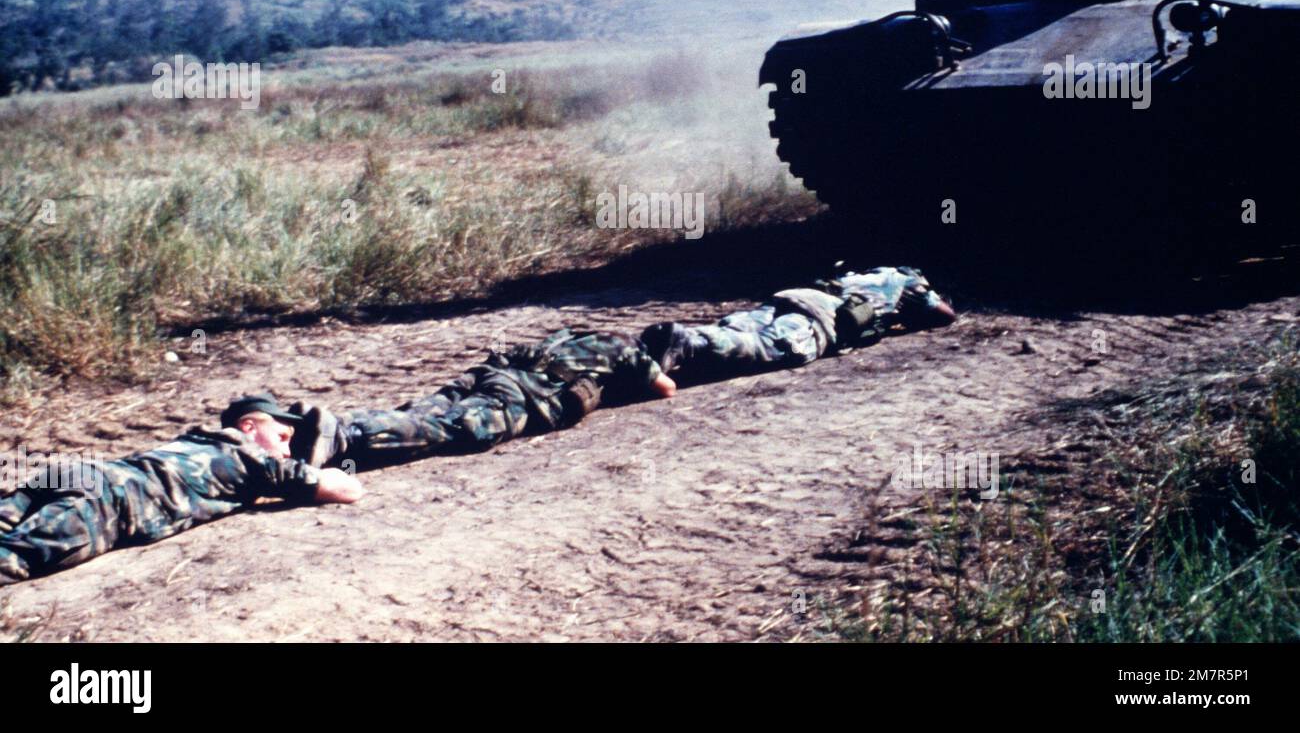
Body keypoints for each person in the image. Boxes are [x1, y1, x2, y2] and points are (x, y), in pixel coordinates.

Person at [0, 394, 364, 585]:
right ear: (249, 427)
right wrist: (312, 466)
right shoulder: (252, 460)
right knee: (14, 560)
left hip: (78, 474)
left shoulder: (193, 440)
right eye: (283, 437)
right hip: (107, 503)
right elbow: (347, 489)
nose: (286, 450)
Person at [292, 328, 677, 470]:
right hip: (523, 395)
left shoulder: (571, 333)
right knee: (449, 429)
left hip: (488, 372)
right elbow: (665, 389)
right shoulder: (625, 347)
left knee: (423, 411)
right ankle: (344, 436)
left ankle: (326, 432)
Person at [639, 266, 956, 382]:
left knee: (741, 329)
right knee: (772, 346)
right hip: (822, 316)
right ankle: (689, 342)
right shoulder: (907, 281)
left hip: (792, 296)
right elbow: (944, 316)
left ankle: (651, 351)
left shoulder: (861, 274)